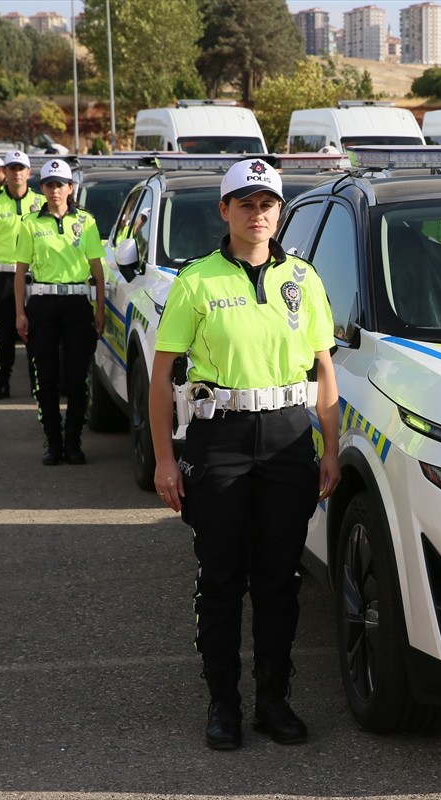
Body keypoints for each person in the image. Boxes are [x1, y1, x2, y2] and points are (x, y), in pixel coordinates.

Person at [148, 157, 340, 751]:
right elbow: (161, 379)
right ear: (225, 210)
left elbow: (324, 369)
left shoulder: (304, 280)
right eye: (247, 204)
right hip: (220, 440)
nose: (259, 215)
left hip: (287, 440)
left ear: (280, 212)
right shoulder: (196, 280)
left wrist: (330, 449)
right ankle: (223, 703)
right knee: (223, 579)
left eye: (268, 205)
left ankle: (274, 701)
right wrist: (162, 458)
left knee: (279, 580)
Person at [14, 159, 105, 466]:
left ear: (70, 188)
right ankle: (53, 442)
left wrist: (100, 309)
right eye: (49, 185)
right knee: (46, 378)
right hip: (42, 304)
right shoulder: (30, 223)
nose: (55, 191)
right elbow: (20, 271)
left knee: (78, 377)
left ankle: (74, 442)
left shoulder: (87, 222)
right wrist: (20, 313)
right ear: (42, 188)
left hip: (78, 304)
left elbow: (97, 270)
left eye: (60, 185)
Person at [0, 150, 47, 401]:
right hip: (5, 275)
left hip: (35, 276)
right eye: (12, 168)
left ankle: (37, 383)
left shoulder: (40, 202)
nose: (16, 173)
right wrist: (2, 253)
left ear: (29, 173)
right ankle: (1, 381)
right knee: (5, 332)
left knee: (36, 332)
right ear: (4, 172)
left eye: (21, 169)